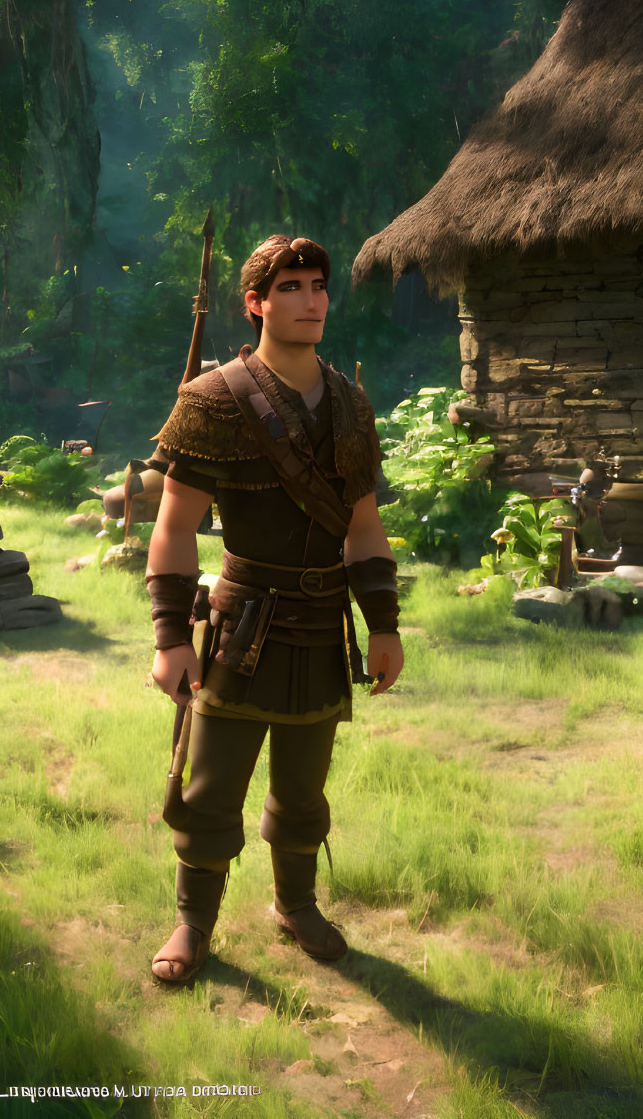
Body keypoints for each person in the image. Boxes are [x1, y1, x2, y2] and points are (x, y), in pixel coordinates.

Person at [143, 233, 404, 985]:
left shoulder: (351, 406)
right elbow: (173, 527)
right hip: (239, 627)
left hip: (323, 627)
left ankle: (295, 906)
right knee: (209, 787)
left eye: (317, 284)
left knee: (302, 788)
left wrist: (381, 626)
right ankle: (193, 924)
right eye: (289, 286)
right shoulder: (212, 400)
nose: (310, 299)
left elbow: (361, 530)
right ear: (255, 302)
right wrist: (169, 639)